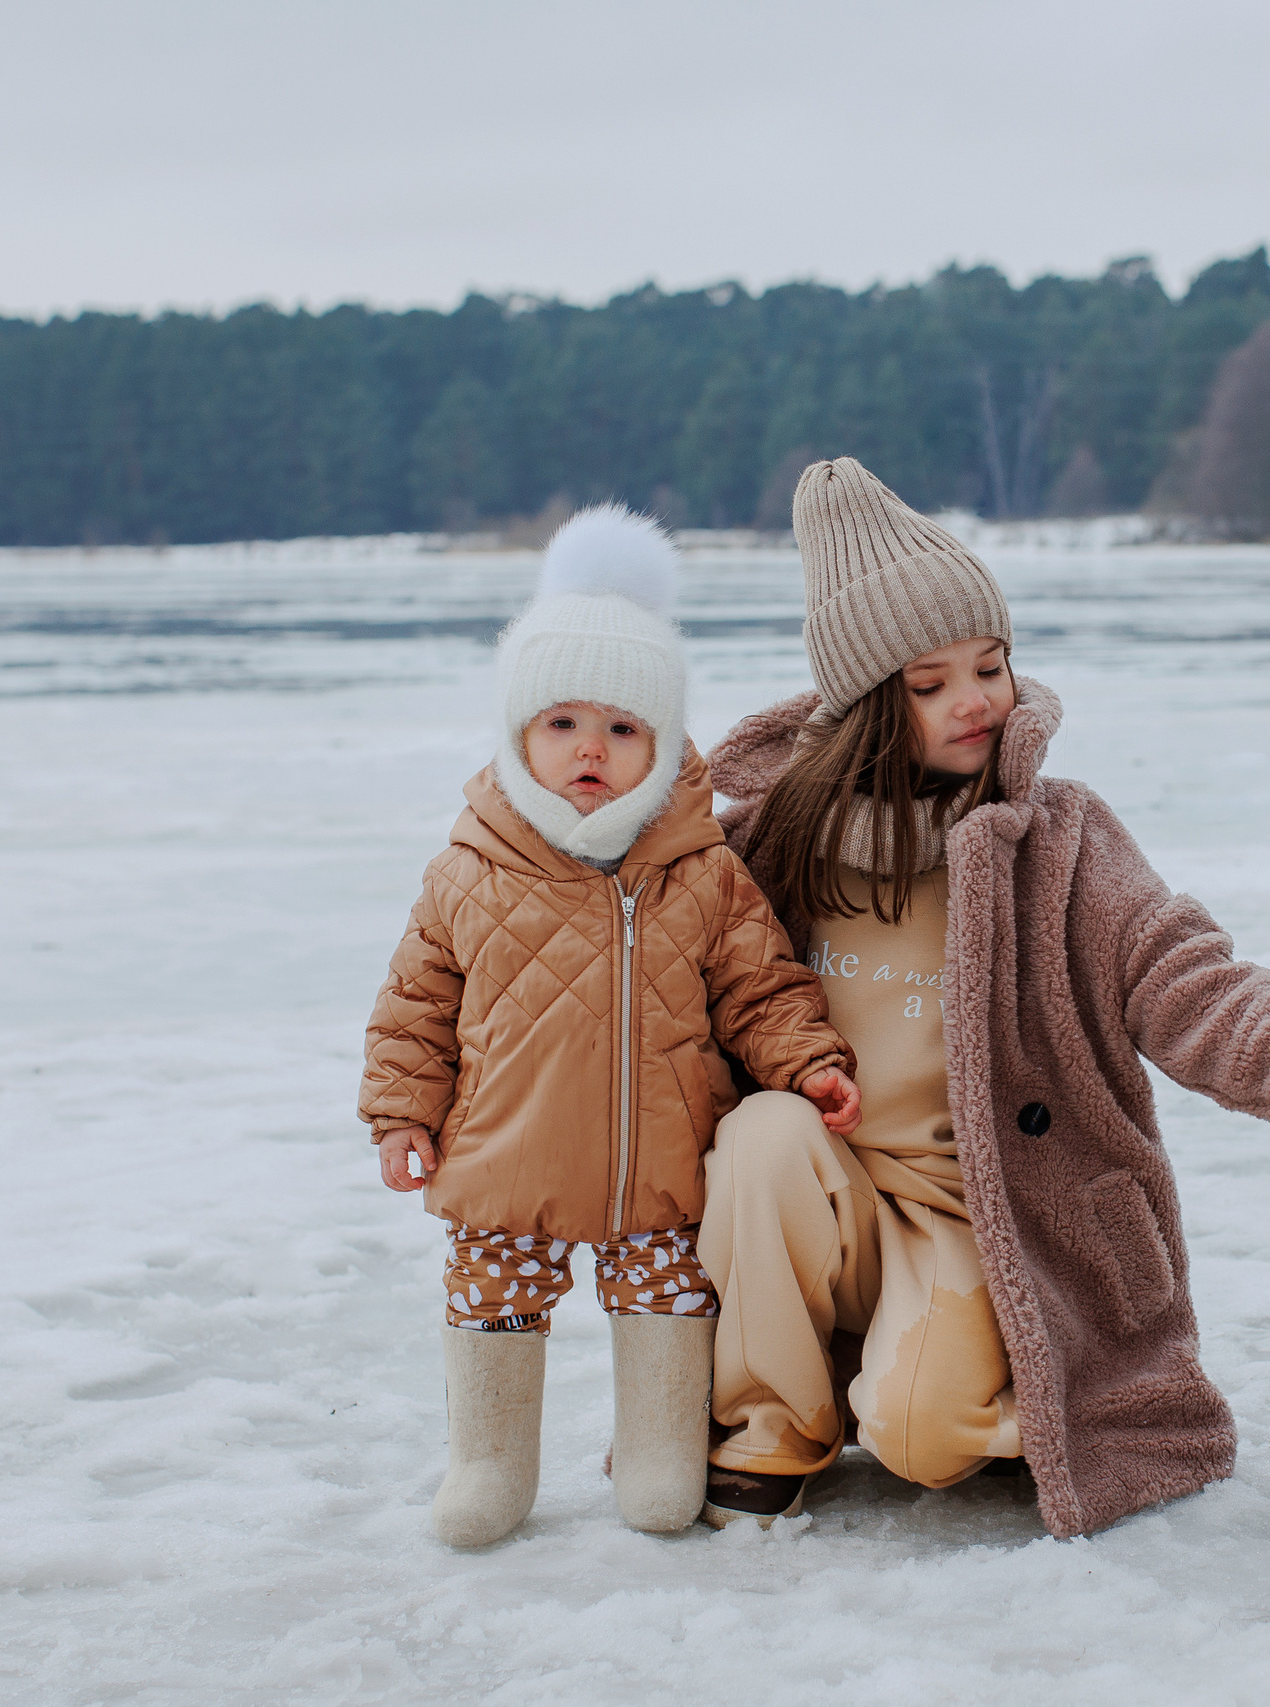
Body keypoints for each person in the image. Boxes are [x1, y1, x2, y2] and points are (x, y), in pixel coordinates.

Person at [697, 457, 1270, 1535]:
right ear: (864, 708)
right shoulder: (768, 846)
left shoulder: (1055, 840)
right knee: (757, 1135)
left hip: (983, 1212)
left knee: (924, 1444)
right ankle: (766, 1429)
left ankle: (999, 1385)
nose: (977, 700)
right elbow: (654, 992)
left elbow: (1186, 980)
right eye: (930, 684)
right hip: (827, 1189)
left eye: (992, 665)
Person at [360, 505, 860, 1546]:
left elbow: (762, 989)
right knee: (494, 1297)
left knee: (667, 1303)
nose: (591, 748)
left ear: (664, 739)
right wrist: (401, 1117)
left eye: (623, 728)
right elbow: (413, 1009)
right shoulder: (467, 869)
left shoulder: (701, 870)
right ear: (518, 734)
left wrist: (809, 1064)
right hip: (504, 1158)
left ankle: (659, 1453)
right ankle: (491, 1462)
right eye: (562, 723)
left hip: (659, 1169)